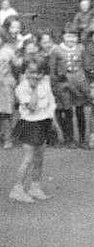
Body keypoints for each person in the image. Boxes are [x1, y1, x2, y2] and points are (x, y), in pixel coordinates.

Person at [10, 61, 56, 203]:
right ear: (26, 72)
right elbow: (31, 107)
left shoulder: (46, 84)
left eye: (37, 72)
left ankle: (35, 187)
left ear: (42, 73)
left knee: (39, 159)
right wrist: (35, 88)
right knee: (28, 159)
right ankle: (17, 190)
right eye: (30, 72)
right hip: (29, 124)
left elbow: (50, 105)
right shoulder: (21, 88)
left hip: (43, 123)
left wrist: (53, 124)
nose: (34, 75)